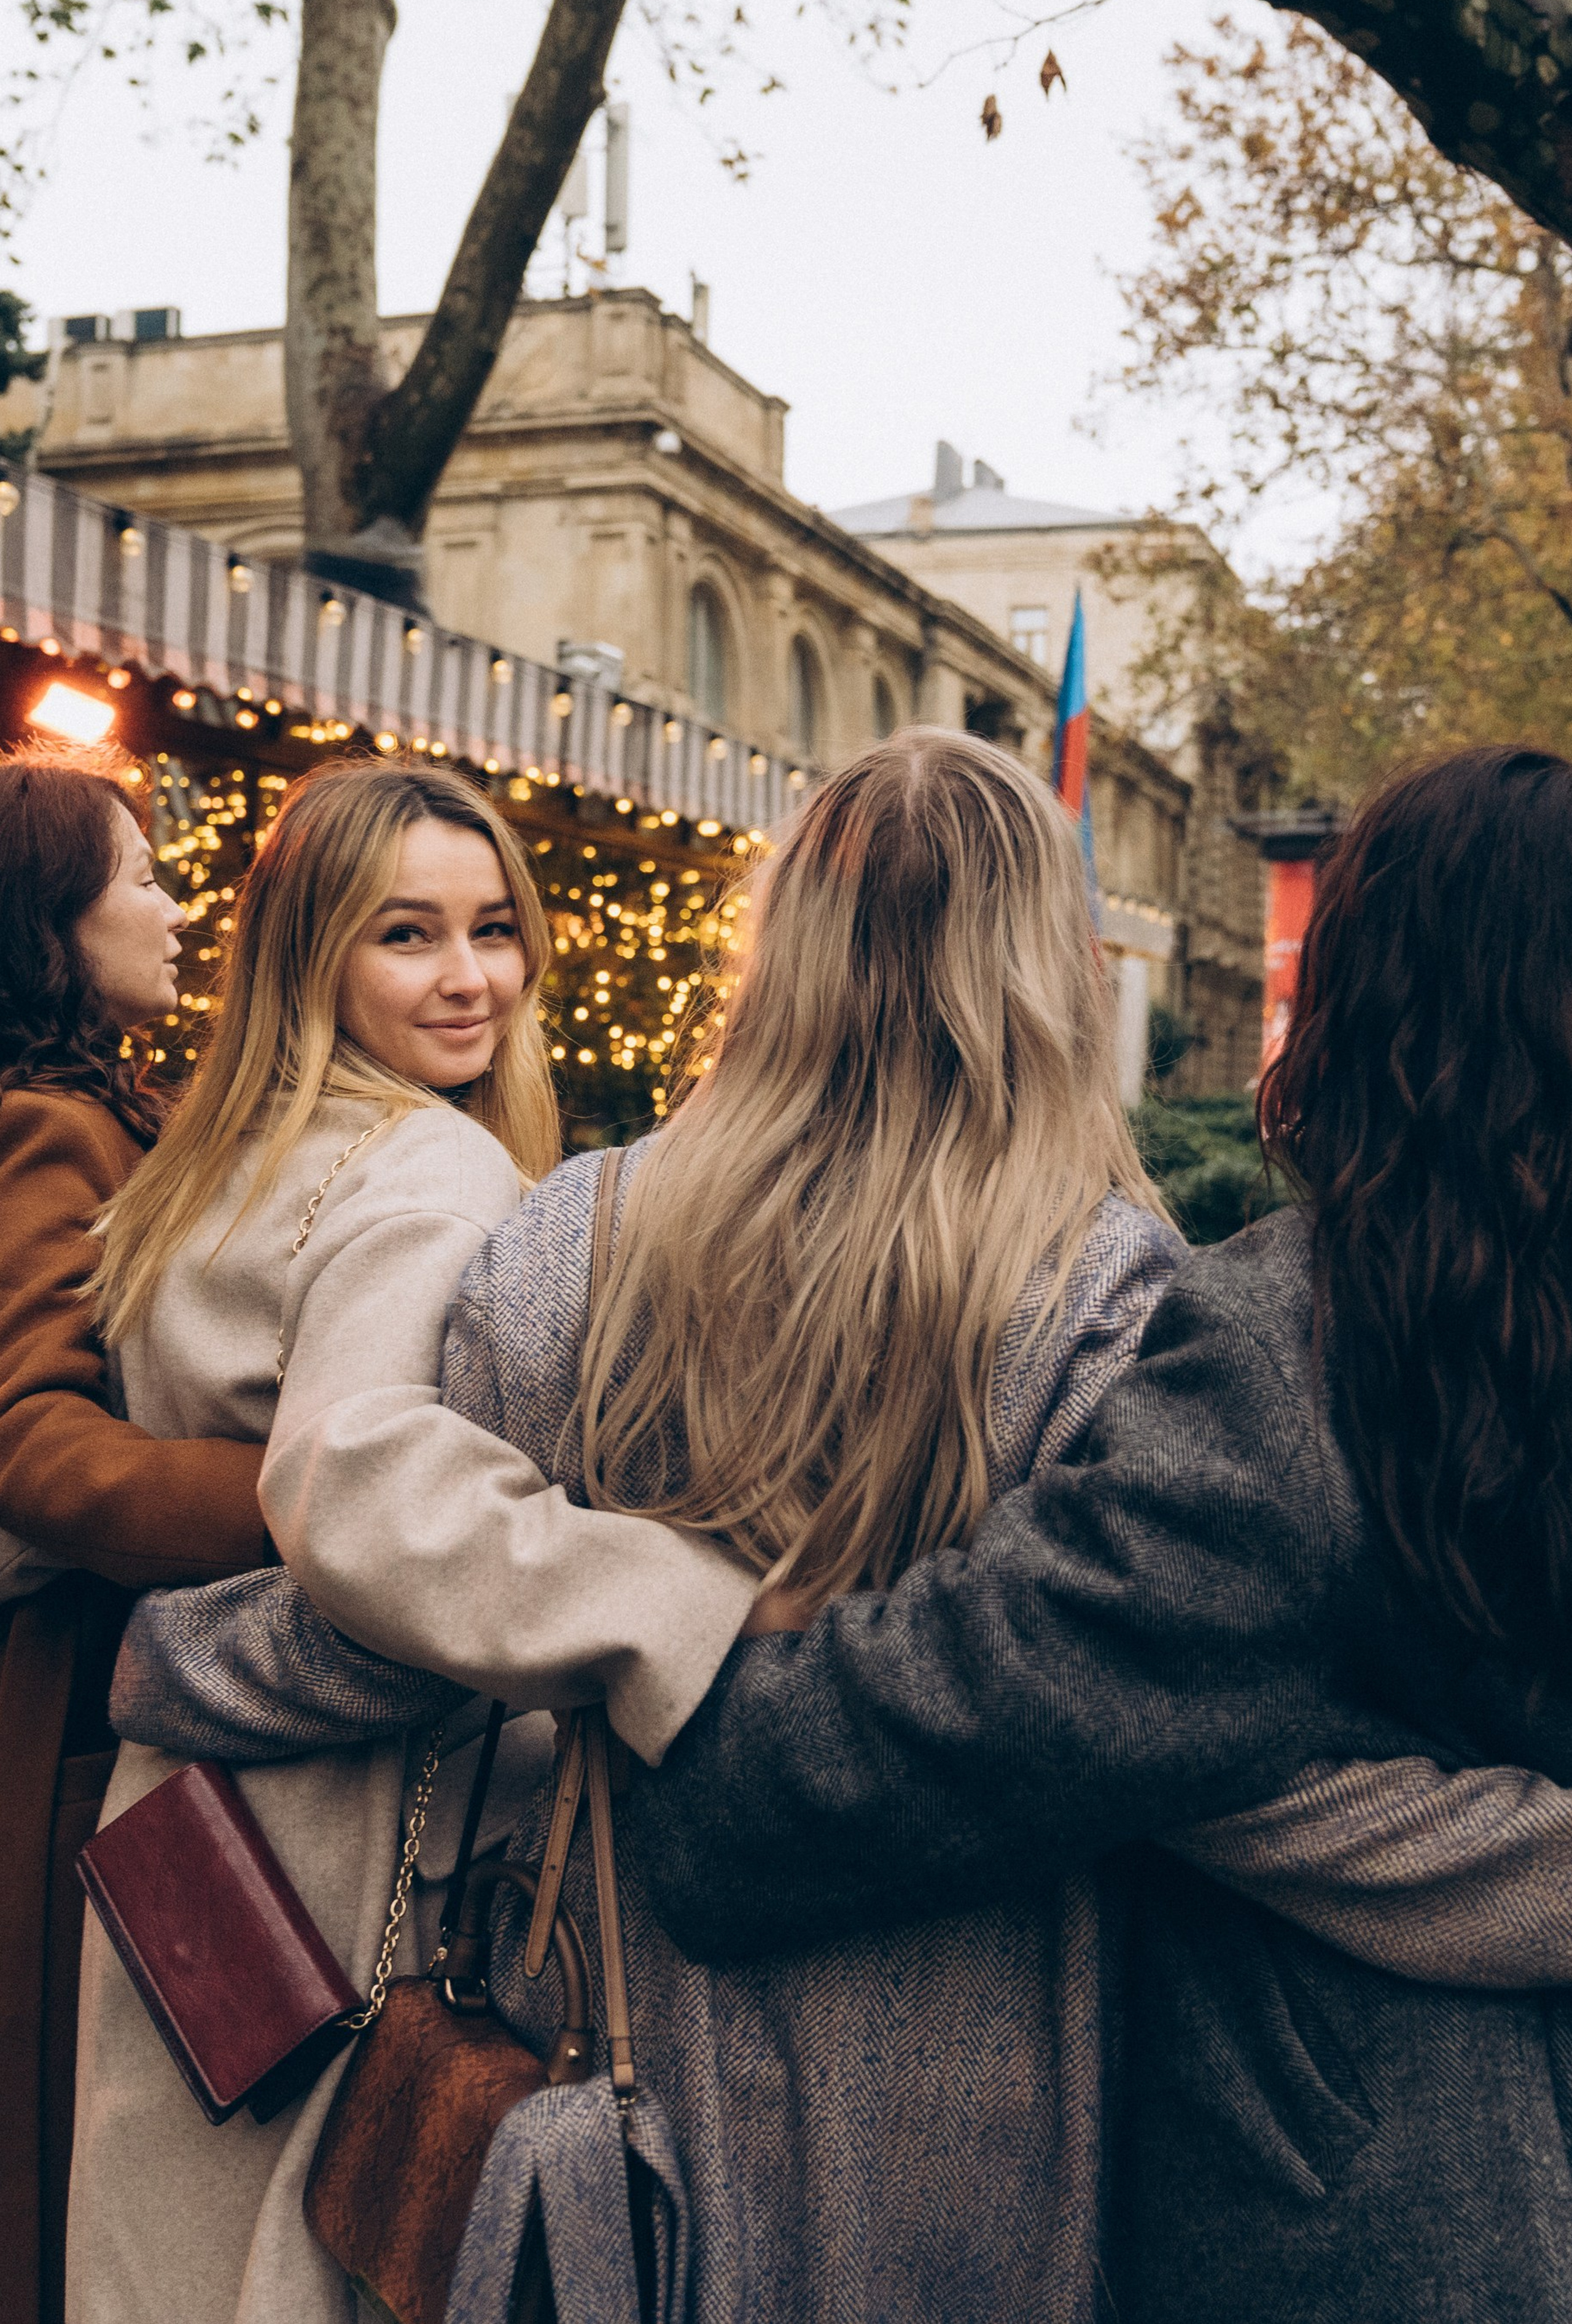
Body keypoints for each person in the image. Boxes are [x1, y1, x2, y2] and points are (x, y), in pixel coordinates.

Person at [111, 734, 1572, 2322]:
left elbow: (426, 1622)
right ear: (1047, 970)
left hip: (617, 2021)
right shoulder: (1110, 1291)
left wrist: (176, 1660)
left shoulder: (577, 1234)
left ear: (780, 945)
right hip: (991, 2075)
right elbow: (1155, 1740)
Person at [605, 744, 1572, 2320]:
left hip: (1406, 2183)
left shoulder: (1312, 1346)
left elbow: (1003, 1697)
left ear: (1379, 995)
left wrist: (690, 1703)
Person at [68, 759, 757, 2324]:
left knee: (163, 2252)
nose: (470, 979)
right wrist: (683, 1603)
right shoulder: (431, 1167)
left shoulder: (215, 1157)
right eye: (406, 934)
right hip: (347, 1829)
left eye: (493, 928)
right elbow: (362, 1487)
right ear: (312, 952)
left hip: (184, 1830)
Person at [0, 750, 270, 2324]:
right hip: (69, 1714)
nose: (177, 912)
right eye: (145, 879)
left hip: (105, 1693)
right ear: (52, 920)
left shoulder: (105, 1107)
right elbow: (38, 1449)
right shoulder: (52, 1124)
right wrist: (299, 1500)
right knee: (75, 2126)